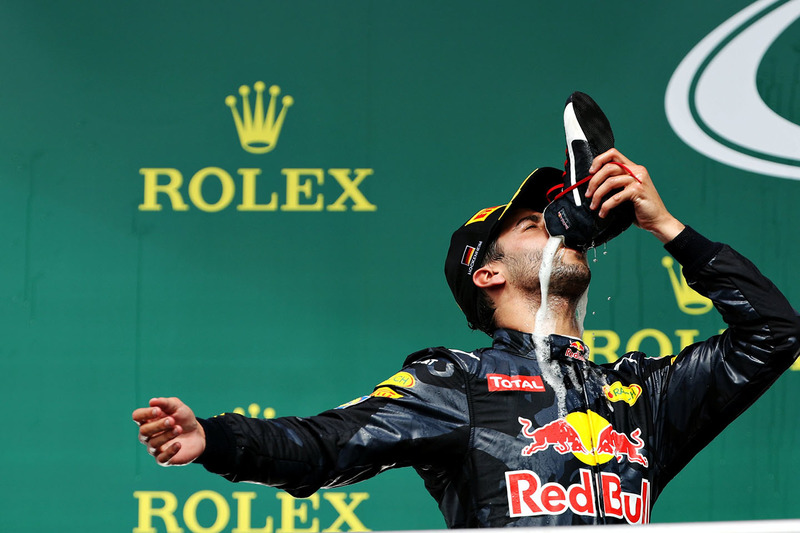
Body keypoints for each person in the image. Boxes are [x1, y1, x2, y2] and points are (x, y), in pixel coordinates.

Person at [134, 146, 800, 526]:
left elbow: (772, 332)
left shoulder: (642, 394)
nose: (562, 230)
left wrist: (669, 229)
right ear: (487, 272)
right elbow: (323, 445)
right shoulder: (457, 381)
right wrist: (213, 439)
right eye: (537, 225)